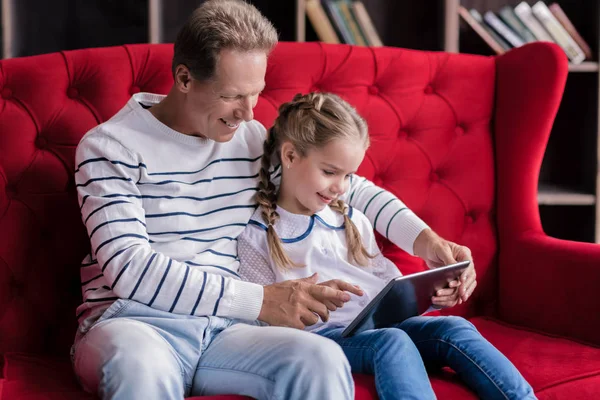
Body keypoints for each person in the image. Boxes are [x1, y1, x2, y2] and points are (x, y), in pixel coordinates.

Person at [71, 1, 476, 399]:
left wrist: (429, 245)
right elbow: (130, 269)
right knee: (140, 367)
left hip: (224, 328)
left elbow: (352, 189)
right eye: (232, 96)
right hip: (134, 323)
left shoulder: (246, 140)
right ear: (184, 78)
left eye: (256, 94)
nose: (248, 113)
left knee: (319, 357)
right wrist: (261, 301)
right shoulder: (111, 147)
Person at [238, 92, 536, 400]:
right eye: (329, 172)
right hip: (325, 337)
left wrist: (431, 295)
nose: (340, 187)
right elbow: (264, 313)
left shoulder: (351, 218)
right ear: (289, 156)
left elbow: (385, 287)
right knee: (391, 340)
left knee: (454, 328)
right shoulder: (257, 232)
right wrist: (312, 300)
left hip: (382, 324)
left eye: (348, 175)